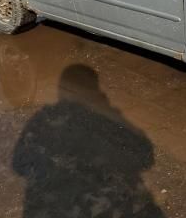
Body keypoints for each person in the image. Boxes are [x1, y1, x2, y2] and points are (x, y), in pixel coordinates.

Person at [12, 64, 164, 218]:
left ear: (61, 91)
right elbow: (146, 155)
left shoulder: (43, 119)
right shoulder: (104, 119)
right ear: (93, 91)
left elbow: (18, 164)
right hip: (107, 208)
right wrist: (107, 110)